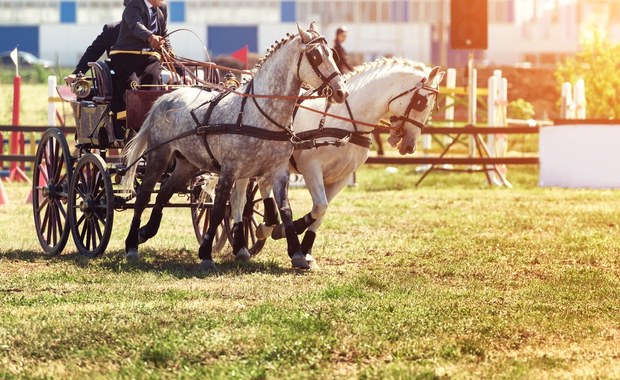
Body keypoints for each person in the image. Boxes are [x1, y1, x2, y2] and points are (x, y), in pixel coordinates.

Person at [109, 0, 172, 136]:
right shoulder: (133, 6)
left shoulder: (162, 8)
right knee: (133, 92)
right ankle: (132, 133)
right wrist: (150, 37)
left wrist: (169, 50)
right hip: (126, 57)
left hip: (149, 59)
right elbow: (136, 26)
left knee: (154, 89)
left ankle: (151, 129)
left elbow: (164, 33)